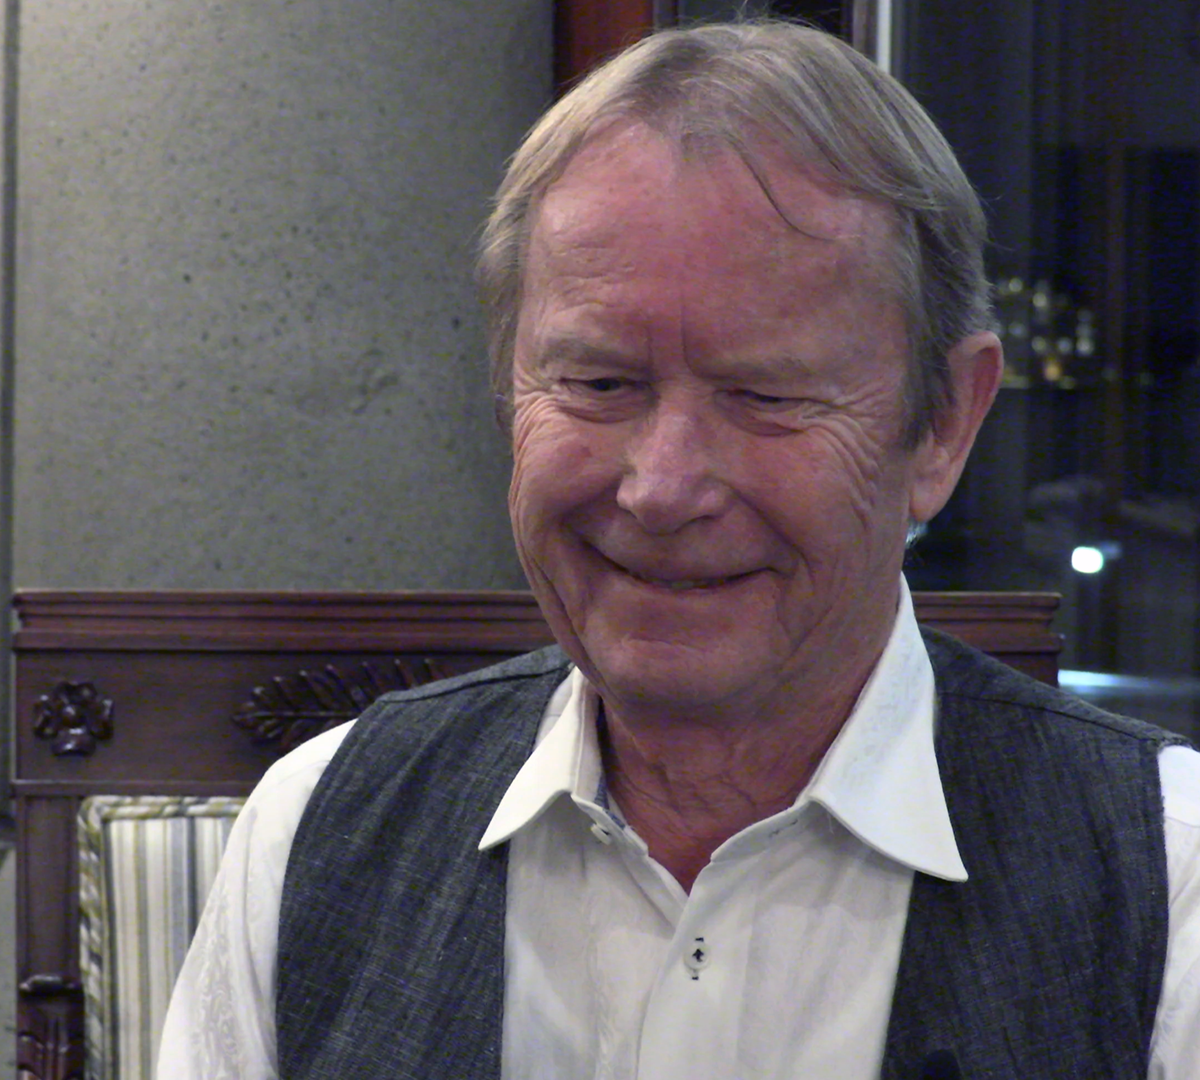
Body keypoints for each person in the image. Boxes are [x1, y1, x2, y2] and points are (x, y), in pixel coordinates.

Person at [159, 20, 1200, 1080]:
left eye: (765, 395)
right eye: (601, 383)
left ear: (941, 427)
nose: (660, 487)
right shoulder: (319, 833)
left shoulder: (1171, 884)